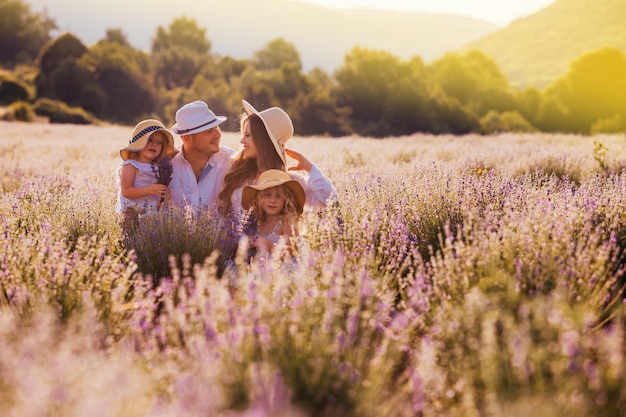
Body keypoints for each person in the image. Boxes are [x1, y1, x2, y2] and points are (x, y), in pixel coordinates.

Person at [218, 100, 337, 217]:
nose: (242, 140)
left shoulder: (288, 182)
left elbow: (328, 201)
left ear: (263, 140)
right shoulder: (237, 171)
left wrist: (310, 168)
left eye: (248, 135)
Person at [169, 101, 236, 210]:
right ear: (187, 138)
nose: (218, 135)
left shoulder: (232, 161)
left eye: (216, 127)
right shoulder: (167, 164)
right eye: (209, 131)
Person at [116, 119, 176, 228]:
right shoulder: (130, 165)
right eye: (150, 140)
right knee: (133, 239)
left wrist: (164, 194)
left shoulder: (159, 168)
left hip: (153, 214)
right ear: (139, 142)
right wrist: (149, 190)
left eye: (159, 142)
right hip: (133, 212)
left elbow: (159, 189)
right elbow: (126, 191)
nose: (154, 144)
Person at [241, 169, 305, 259]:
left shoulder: (286, 224)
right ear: (259, 198)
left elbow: (290, 255)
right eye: (267, 195)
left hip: (282, 271)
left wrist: (268, 245)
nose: (272, 200)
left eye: (279, 196)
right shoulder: (256, 223)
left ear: (286, 200)